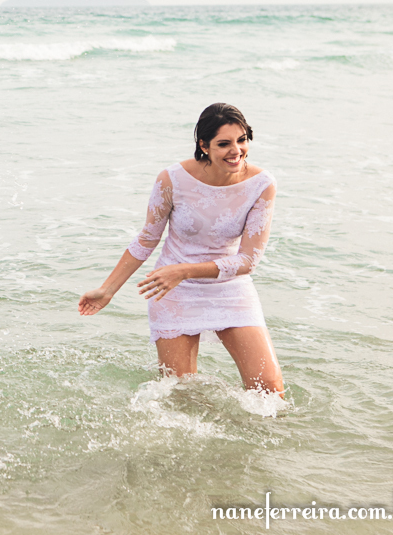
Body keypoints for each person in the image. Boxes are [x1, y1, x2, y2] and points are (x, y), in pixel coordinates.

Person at [78, 103, 283, 394]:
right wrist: (107, 290)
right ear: (204, 145)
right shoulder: (172, 179)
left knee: (270, 389)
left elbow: (248, 260)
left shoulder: (262, 184)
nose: (236, 151)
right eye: (223, 144)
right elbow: (147, 239)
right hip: (173, 290)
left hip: (229, 287)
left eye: (242, 140)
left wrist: (184, 271)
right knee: (183, 394)